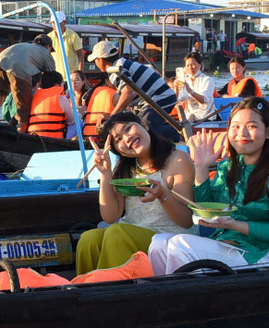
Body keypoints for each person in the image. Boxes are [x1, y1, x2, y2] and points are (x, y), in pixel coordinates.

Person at [148, 97, 269, 274]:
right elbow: (206, 206)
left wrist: (234, 225)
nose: (242, 133)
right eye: (235, 126)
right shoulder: (227, 166)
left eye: (251, 126)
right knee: (158, 242)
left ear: (268, 132)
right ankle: (164, 294)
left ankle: (191, 297)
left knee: (180, 245)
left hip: (260, 253)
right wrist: (201, 167)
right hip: (226, 241)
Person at [75, 111, 195, 273]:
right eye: (118, 140)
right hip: (129, 233)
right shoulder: (125, 168)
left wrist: (162, 195)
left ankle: (113, 292)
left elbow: (186, 221)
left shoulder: (177, 159)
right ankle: (85, 291)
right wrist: (105, 173)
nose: (127, 138)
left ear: (144, 125)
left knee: (117, 233)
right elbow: (110, 216)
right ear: (119, 151)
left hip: (168, 238)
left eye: (128, 128)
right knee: (89, 239)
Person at [88, 40, 180, 142]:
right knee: (138, 127)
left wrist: (112, 116)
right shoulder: (121, 64)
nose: (95, 63)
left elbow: (127, 93)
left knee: (143, 130)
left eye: (95, 60)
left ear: (100, 60)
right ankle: (173, 131)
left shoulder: (115, 69)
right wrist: (112, 114)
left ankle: (176, 132)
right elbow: (124, 95)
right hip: (155, 99)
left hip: (160, 98)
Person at [0, 36, 55, 127]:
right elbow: (52, 78)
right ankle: (20, 133)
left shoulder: (26, 46)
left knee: (0, 91)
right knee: (24, 111)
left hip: (0, 61)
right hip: (17, 67)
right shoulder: (46, 53)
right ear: (48, 46)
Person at [26, 70, 79, 139]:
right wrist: (79, 115)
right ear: (57, 85)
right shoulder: (61, 98)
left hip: (33, 138)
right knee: (78, 122)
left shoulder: (34, 96)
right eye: (62, 84)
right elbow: (71, 121)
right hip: (54, 139)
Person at [173, 51, 217, 123]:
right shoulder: (185, 81)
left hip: (206, 118)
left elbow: (205, 100)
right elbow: (178, 100)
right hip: (190, 119)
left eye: (193, 64)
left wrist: (190, 91)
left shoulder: (208, 80)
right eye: (188, 65)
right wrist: (176, 87)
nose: (190, 68)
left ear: (200, 65)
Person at [78, 69, 119, 142]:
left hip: (88, 136)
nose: (118, 83)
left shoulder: (92, 92)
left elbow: (80, 113)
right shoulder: (115, 94)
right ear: (107, 81)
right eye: (116, 80)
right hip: (104, 139)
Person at [47, 11, 84, 78]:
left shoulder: (73, 36)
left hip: (70, 79)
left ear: (65, 22)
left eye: (59, 23)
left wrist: (79, 75)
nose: (56, 25)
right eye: (53, 23)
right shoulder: (49, 37)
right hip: (54, 78)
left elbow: (80, 56)